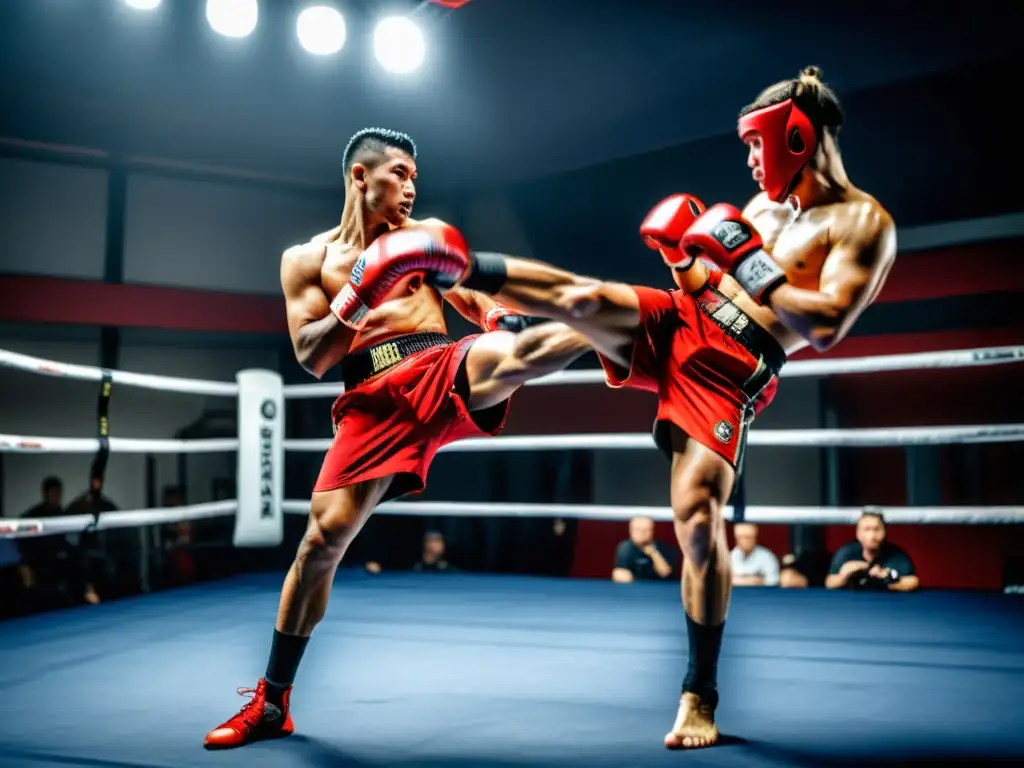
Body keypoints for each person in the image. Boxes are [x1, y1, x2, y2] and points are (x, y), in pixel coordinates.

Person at [403, 66, 896, 749]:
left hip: (732, 368)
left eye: (757, 146)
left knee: (696, 520)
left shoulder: (865, 222)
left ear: (795, 135)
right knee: (585, 300)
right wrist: (683, 260)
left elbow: (826, 323)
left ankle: (700, 693)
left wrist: (749, 261)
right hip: (687, 317)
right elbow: (710, 278)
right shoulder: (758, 210)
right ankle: (453, 262)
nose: (750, 163)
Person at [204, 128, 591, 749]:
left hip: (438, 367)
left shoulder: (422, 235)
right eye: (401, 174)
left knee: (512, 354)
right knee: (320, 544)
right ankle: (273, 703)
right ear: (361, 176)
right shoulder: (307, 260)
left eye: (415, 177)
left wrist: (495, 316)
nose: (412, 188)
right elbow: (311, 355)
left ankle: (634, 318)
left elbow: (470, 293)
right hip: (369, 402)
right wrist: (361, 293)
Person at [826, 507, 919, 592]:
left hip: (888, 605)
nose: (872, 536)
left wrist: (888, 579)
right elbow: (830, 582)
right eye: (866, 529)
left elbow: (913, 582)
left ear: (885, 531)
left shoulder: (896, 555)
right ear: (858, 533)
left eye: (877, 529)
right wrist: (843, 576)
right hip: (853, 605)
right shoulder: (846, 553)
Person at [612, 515, 675, 583]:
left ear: (652, 531)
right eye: (637, 530)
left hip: (659, 587)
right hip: (633, 587)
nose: (641, 534)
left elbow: (665, 574)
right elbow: (619, 573)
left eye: (645, 530)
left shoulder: (664, 547)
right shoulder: (625, 547)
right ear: (630, 531)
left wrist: (654, 554)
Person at [729, 523, 780, 587]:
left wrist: (738, 580)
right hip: (737, 595)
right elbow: (725, 582)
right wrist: (756, 580)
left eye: (748, 538)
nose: (744, 541)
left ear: (755, 538)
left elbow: (773, 581)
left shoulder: (767, 557)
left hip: (761, 595)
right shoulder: (730, 556)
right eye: (740, 537)